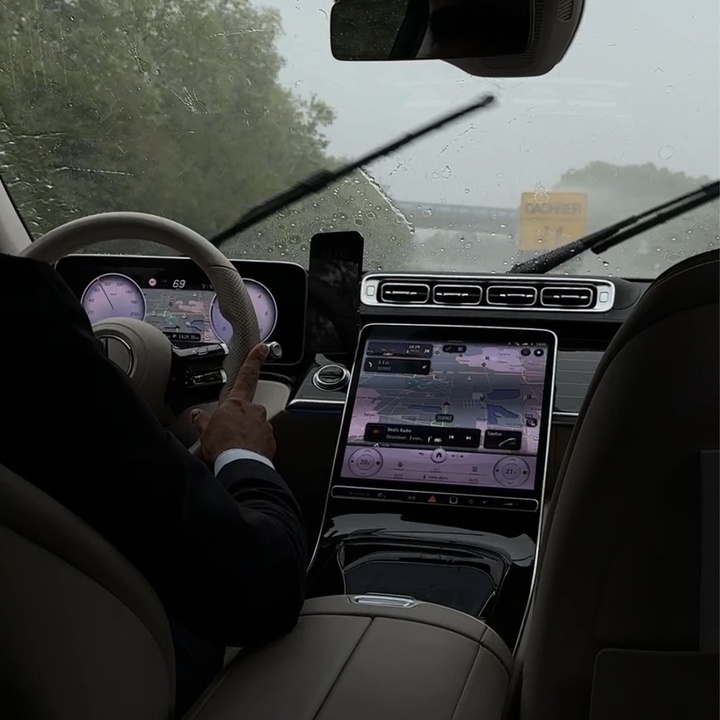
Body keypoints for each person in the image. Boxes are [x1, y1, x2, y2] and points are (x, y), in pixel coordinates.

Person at [0, 252, 308, 716]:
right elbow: (265, 587)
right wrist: (240, 453)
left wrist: (175, 461)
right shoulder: (20, 312)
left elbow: (102, 480)